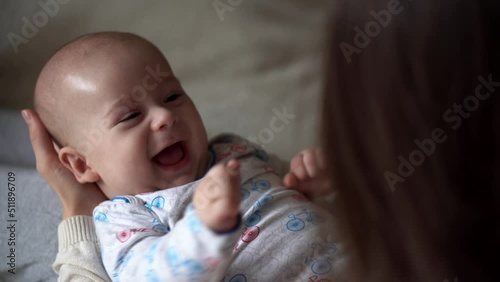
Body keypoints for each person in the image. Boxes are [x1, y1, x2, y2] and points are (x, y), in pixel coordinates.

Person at [27, 32, 337, 281]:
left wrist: (316, 187)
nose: (164, 116)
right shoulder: (124, 218)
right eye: (130, 116)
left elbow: (296, 202)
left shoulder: (233, 150)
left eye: (172, 96)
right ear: (82, 164)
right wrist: (203, 231)